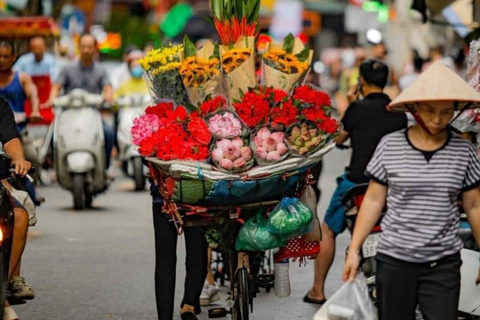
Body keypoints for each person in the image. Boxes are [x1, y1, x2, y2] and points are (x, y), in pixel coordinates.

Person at [343, 61, 480, 320]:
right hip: (394, 261)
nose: (438, 120)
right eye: (430, 110)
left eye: (446, 112)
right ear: (414, 107)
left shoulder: (463, 152)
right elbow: (373, 200)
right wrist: (353, 251)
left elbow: (474, 205)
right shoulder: (390, 145)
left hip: (443, 264)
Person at [304, 60, 407, 305]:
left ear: (361, 81)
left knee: (328, 230)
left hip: (356, 183)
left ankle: (318, 289)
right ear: (387, 80)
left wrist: (351, 103)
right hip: (391, 185)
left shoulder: (356, 109)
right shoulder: (399, 113)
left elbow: (339, 140)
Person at [46, 33, 115, 171]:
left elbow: (108, 88)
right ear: (79, 47)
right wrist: (52, 98)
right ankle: (55, 166)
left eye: (89, 47)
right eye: (83, 46)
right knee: (53, 135)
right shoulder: (67, 68)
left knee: (108, 133)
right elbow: (57, 86)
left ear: (95, 49)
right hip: (68, 114)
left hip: (92, 114)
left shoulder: (101, 70)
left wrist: (108, 96)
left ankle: (105, 168)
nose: (86, 50)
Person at [151, 180, 208, 320]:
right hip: (195, 194)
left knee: (165, 259)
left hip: (165, 196)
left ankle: (185, 306)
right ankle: (189, 303)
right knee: (197, 251)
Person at [0, 96, 36, 320]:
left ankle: (6, 285)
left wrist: (19, 159)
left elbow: (11, 139)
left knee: (19, 215)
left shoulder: (1, 106)